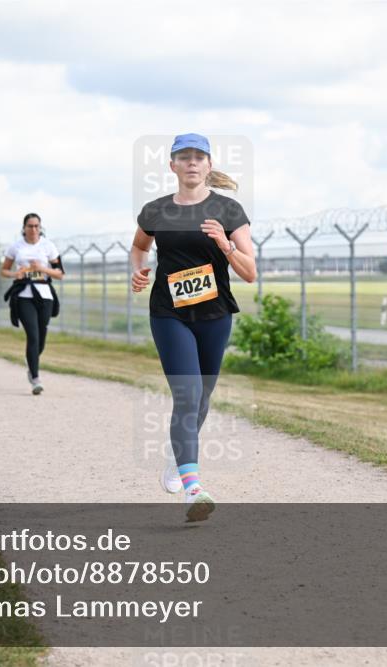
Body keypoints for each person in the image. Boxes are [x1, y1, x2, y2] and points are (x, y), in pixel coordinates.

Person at [130, 133, 256, 522]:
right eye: (183, 157)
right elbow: (139, 247)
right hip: (170, 313)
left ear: (208, 164)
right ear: (172, 165)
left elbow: (250, 272)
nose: (191, 163)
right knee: (187, 395)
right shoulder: (155, 210)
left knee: (202, 398)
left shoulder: (228, 210)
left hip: (215, 315)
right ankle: (193, 487)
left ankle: (177, 457)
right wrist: (137, 271)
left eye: (198, 157)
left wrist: (225, 244)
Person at [1, 213, 64, 394]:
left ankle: (31, 363)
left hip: (44, 295)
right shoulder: (16, 247)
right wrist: (16, 274)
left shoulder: (48, 246)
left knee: (41, 336)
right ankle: (36, 378)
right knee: (33, 335)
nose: (33, 229)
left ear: (40, 227)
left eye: (37, 226)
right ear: (24, 228)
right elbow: (4, 270)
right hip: (23, 295)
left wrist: (42, 268)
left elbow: (60, 273)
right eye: (30, 226)